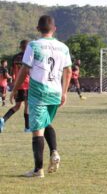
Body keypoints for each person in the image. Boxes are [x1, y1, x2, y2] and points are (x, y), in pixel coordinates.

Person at [9, 15, 72, 178]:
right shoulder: (63, 48)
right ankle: (54, 152)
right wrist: (64, 92)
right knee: (45, 123)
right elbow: (69, 71)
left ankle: (38, 170)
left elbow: (24, 69)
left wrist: (15, 88)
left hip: (39, 92)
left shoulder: (34, 45)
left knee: (37, 130)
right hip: (55, 92)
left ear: (38, 29)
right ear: (55, 29)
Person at [0, 40, 30, 133]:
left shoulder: (15, 57)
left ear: (20, 47)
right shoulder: (29, 57)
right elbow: (29, 71)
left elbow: (12, 73)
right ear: (28, 47)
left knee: (17, 106)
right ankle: (27, 128)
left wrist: (14, 83)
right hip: (27, 84)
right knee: (27, 106)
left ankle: (3, 119)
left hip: (18, 84)